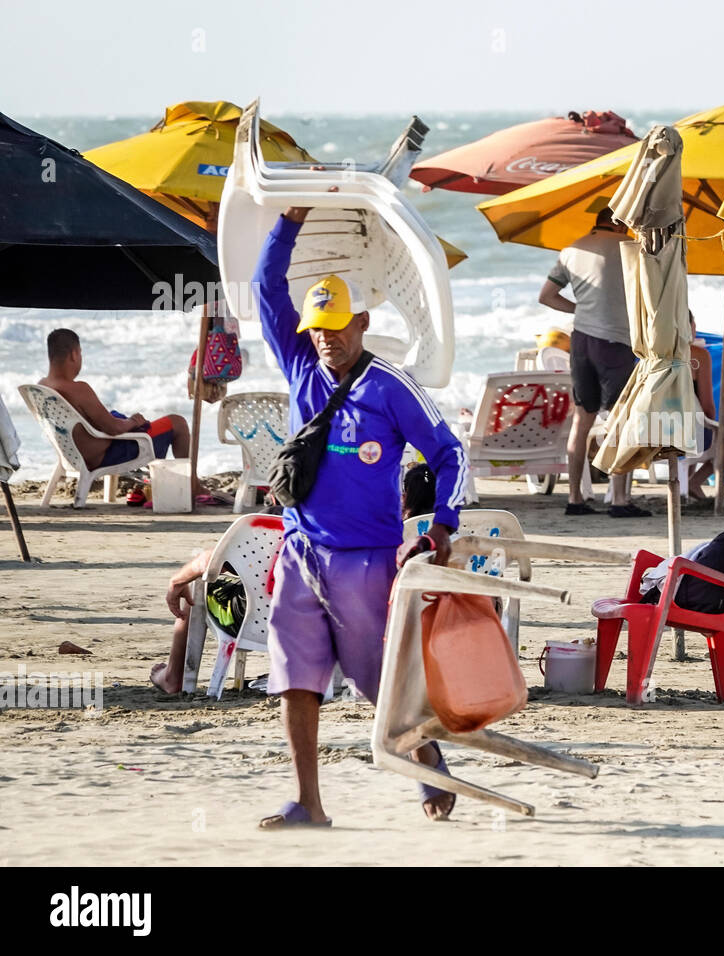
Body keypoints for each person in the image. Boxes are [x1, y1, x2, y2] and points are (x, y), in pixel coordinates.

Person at [253, 199, 469, 828]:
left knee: (378, 684)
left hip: (367, 561)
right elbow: (268, 288)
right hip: (300, 553)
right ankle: (307, 803)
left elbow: (448, 453)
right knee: (296, 679)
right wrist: (288, 223)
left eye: (338, 327)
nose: (328, 340)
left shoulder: (390, 387)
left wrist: (440, 525)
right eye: (318, 329)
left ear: (363, 322)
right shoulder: (300, 369)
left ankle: (429, 764)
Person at [149, 465, 442, 696]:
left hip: (276, 620)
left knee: (196, 590)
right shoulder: (428, 539)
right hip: (374, 627)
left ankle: (174, 677)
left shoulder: (280, 519)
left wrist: (178, 580)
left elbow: (211, 563)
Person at [539, 207, 648, 518]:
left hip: (583, 341)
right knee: (621, 420)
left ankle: (574, 498)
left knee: (582, 420)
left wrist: (584, 310)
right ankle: (619, 499)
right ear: (621, 222)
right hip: (617, 342)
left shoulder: (571, 249)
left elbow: (547, 296)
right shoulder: (632, 249)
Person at [37, 328, 191, 472]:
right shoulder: (79, 389)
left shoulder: (40, 387)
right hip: (102, 457)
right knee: (177, 423)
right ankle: (192, 485)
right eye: (80, 353)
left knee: (117, 417)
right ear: (74, 354)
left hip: (71, 457)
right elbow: (114, 428)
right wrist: (133, 421)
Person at [686, 313, 718, 500]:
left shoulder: (649, 353)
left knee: (689, 421)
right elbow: (708, 408)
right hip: (687, 436)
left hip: (651, 432)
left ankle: (689, 481)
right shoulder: (698, 356)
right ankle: (694, 481)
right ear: (690, 326)